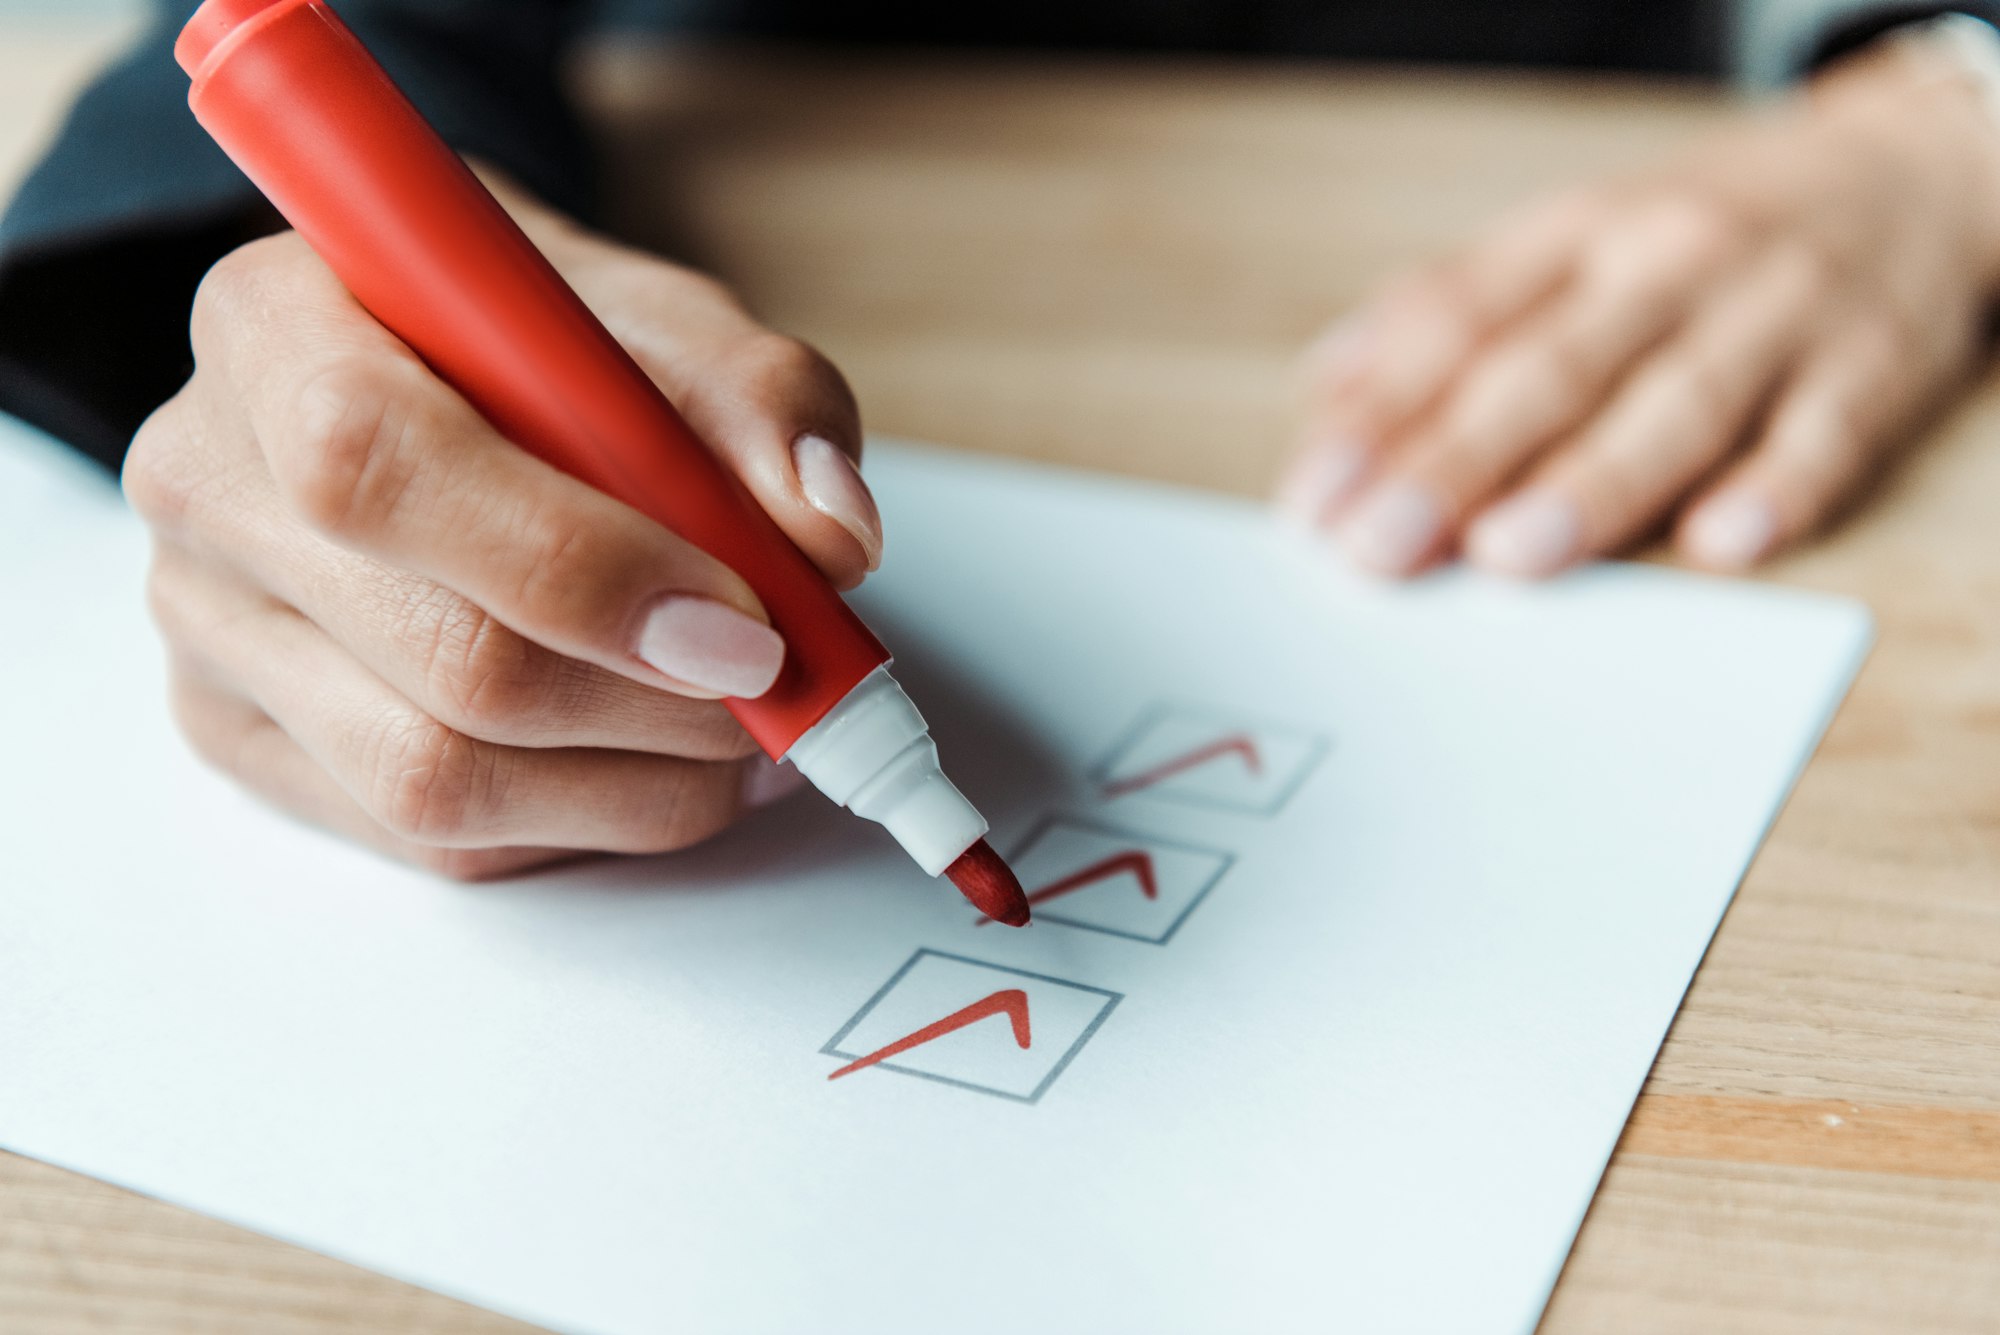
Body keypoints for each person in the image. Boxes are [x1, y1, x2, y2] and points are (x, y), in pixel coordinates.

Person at [2, 0, 1995, 877]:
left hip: (1523, 149)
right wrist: (330, 382)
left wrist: (1954, 110)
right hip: (780, 180)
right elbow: (316, 54)